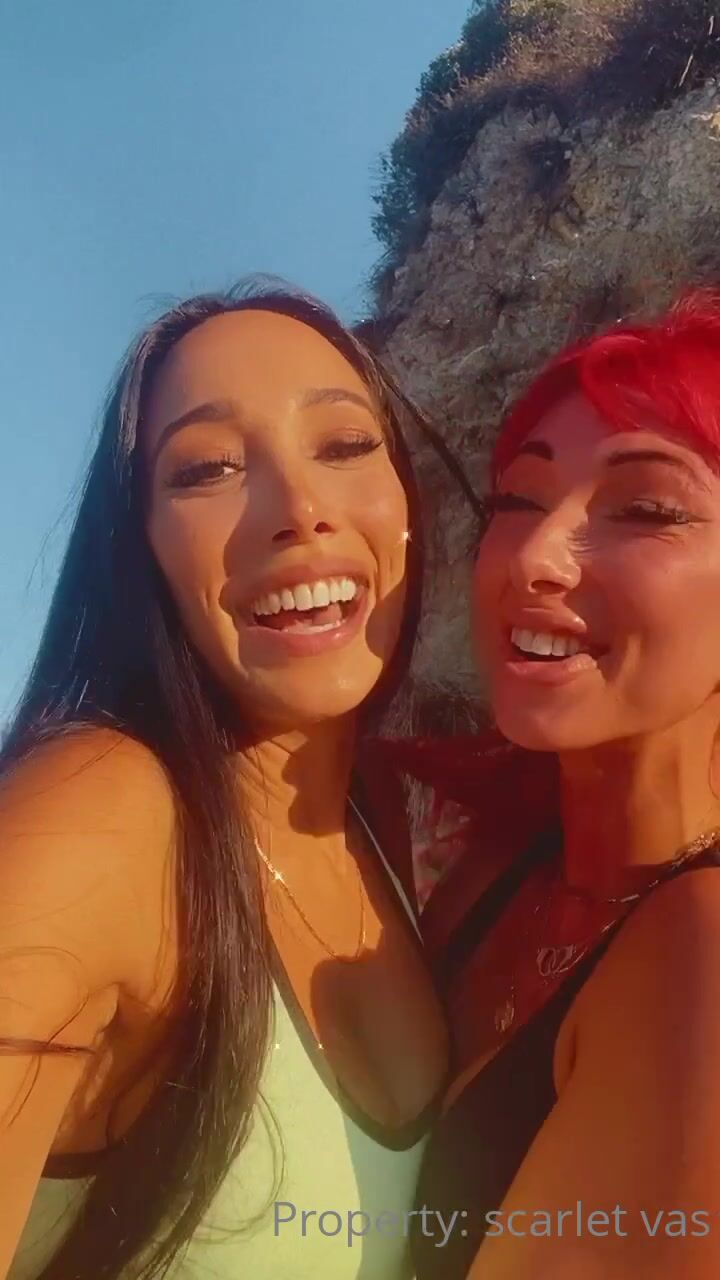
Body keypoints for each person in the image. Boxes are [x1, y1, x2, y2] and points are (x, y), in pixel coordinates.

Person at [0, 280, 454, 1280]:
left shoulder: (376, 827)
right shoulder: (102, 808)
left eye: (346, 444)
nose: (300, 511)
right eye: (207, 468)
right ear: (141, 550)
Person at [400, 289, 720, 1279]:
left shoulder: (701, 956)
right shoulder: (488, 868)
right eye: (518, 503)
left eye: (647, 509)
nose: (535, 559)